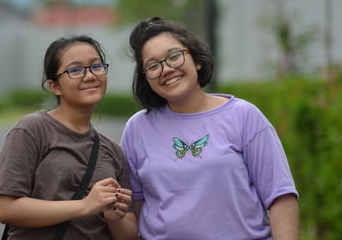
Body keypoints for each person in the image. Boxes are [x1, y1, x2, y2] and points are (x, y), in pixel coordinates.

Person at [120, 17, 299, 240]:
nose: (166, 69)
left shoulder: (243, 115)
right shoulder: (138, 128)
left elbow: (280, 197)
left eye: (174, 56)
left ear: (196, 59)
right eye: (153, 66)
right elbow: (134, 207)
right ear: (146, 78)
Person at [0, 35, 138, 240]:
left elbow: (128, 235)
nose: (89, 76)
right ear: (55, 86)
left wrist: (114, 217)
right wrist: (85, 205)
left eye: (96, 66)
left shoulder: (113, 151)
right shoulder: (32, 129)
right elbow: (7, 209)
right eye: (75, 70)